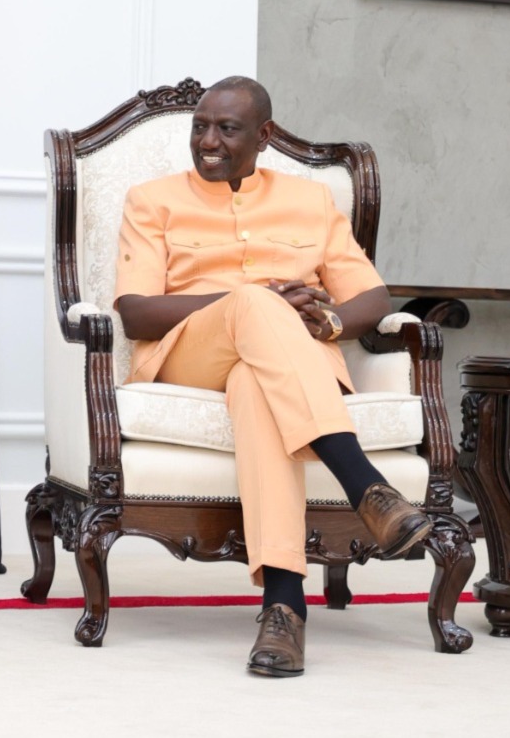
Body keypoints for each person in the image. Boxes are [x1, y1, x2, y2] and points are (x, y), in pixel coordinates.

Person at [112, 75, 432, 678]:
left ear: (262, 137)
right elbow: (135, 312)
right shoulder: (151, 200)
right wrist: (250, 298)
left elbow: (372, 295)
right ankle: (365, 485)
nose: (208, 141)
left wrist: (329, 320)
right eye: (199, 127)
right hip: (189, 357)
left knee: (259, 389)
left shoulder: (310, 203)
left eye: (226, 129)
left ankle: (283, 611)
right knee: (256, 303)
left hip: (282, 368)